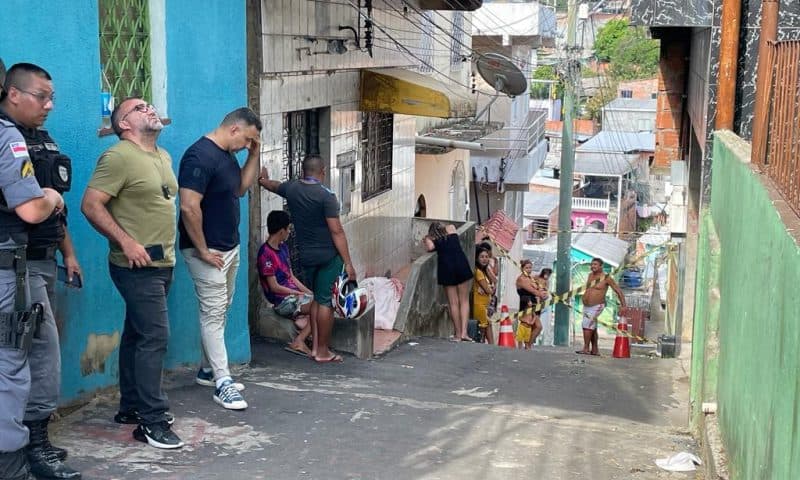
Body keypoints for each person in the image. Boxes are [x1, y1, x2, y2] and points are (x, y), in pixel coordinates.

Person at [81, 97, 183, 449]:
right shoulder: (118, 156)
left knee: (138, 334)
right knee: (155, 337)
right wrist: (125, 242)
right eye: (139, 108)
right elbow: (90, 204)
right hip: (136, 267)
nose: (149, 109)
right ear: (123, 124)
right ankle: (152, 422)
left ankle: (130, 406)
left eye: (149, 105)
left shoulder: (162, 156)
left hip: (163, 262)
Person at [0, 62, 81, 479]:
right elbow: (35, 207)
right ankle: (29, 453)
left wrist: (68, 252)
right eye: (41, 96)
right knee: (33, 356)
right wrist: (51, 196)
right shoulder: (7, 137)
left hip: (38, 258)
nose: (49, 105)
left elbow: (49, 216)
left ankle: (34, 445)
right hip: (15, 266)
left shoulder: (37, 139)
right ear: (12, 93)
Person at [177, 108, 261, 411]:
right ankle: (222, 382)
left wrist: (253, 155)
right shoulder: (199, 156)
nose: (246, 145)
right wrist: (201, 249)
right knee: (213, 312)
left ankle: (207, 369)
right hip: (206, 251)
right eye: (247, 140)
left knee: (221, 309)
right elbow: (188, 206)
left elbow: (239, 188)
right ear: (235, 128)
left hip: (228, 248)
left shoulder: (228, 154)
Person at [258, 155, 356, 363]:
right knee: (325, 303)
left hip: (307, 257)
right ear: (323, 171)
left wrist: (263, 181)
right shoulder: (326, 196)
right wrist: (348, 262)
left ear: (303, 171)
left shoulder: (293, 188)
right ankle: (322, 351)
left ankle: (315, 348)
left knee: (316, 300)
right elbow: (336, 232)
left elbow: (276, 186)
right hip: (328, 257)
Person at [257, 210, 314, 356]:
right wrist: (298, 293)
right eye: (288, 229)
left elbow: (292, 277)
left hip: (294, 296)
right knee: (320, 307)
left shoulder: (283, 248)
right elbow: (274, 287)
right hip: (283, 301)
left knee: (322, 301)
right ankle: (299, 341)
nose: (289, 232)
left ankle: (305, 335)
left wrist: (308, 292)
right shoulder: (265, 254)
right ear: (281, 231)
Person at [423, 222, 473, 341]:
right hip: (461, 264)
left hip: (446, 268)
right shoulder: (451, 228)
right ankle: (464, 333)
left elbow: (430, 248)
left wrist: (426, 239)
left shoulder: (431, 238)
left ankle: (457, 333)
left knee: (453, 303)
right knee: (464, 301)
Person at [577, 258, 626, 356]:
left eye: (595, 264)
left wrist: (623, 305)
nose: (593, 266)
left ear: (601, 266)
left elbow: (618, 290)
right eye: (592, 264)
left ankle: (586, 348)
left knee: (586, 325)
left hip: (597, 305)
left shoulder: (606, 277)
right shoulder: (590, 275)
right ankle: (595, 350)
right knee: (592, 327)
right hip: (586, 306)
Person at [515, 260, 545, 350]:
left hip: (534, 304)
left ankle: (528, 344)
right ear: (522, 268)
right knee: (532, 325)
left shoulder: (531, 278)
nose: (529, 270)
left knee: (536, 327)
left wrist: (542, 293)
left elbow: (539, 289)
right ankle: (526, 345)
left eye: (530, 268)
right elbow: (531, 290)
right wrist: (539, 293)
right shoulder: (521, 279)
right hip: (526, 304)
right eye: (526, 268)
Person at [473, 248, 495, 344]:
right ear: (477, 258)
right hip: (479, 305)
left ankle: (492, 346)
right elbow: (489, 290)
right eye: (481, 257)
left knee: (488, 324)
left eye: (486, 257)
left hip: (484, 305)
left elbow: (494, 282)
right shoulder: (478, 272)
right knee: (482, 330)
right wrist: (489, 288)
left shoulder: (484, 271)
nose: (484, 259)